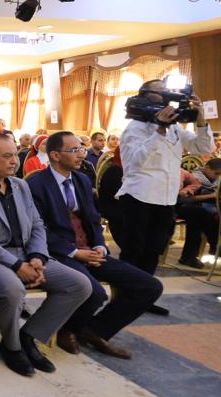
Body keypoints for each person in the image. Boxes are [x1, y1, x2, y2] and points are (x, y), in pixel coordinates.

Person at [0, 133, 91, 377]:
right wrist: (18, 265)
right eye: (7, 156)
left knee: (79, 285)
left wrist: (37, 256)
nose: (14, 161)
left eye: (15, 155)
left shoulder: (21, 185)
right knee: (13, 290)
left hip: (28, 253)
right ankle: (12, 347)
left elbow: (37, 224)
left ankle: (28, 336)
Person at [27, 132, 163, 359]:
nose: (82, 154)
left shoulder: (81, 180)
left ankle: (94, 330)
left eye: (81, 148)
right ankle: (68, 330)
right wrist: (74, 252)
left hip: (90, 250)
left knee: (149, 286)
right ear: (55, 155)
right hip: (60, 253)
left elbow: (93, 219)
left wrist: (100, 245)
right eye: (74, 150)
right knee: (94, 292)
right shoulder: (35, 184)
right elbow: (37, 229)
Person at [116, 79, 213, 282]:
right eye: (160, 90)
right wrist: (159, 131)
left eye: (166, 90)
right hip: (139, 197)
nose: (165, 94)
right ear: (145, 94)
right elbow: (135, 162)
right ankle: (125, 294)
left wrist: (201, 120)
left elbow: (203, 148)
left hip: (166, 199)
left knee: (154, 251)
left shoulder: (174, 128)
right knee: (133, 251)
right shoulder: (135, 128)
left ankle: (145, 292)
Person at [175, 159, 221, 269]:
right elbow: (185, 199)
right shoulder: (192, 176)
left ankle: (217, 247)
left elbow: (194, 186)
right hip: (177, 206)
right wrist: (211, 196)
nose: (217, 176)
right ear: (207, 168)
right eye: (216, 173)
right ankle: (218, 246)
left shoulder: (186, 173)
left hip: (198, 207)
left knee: (206, 216)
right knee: (201, 214)